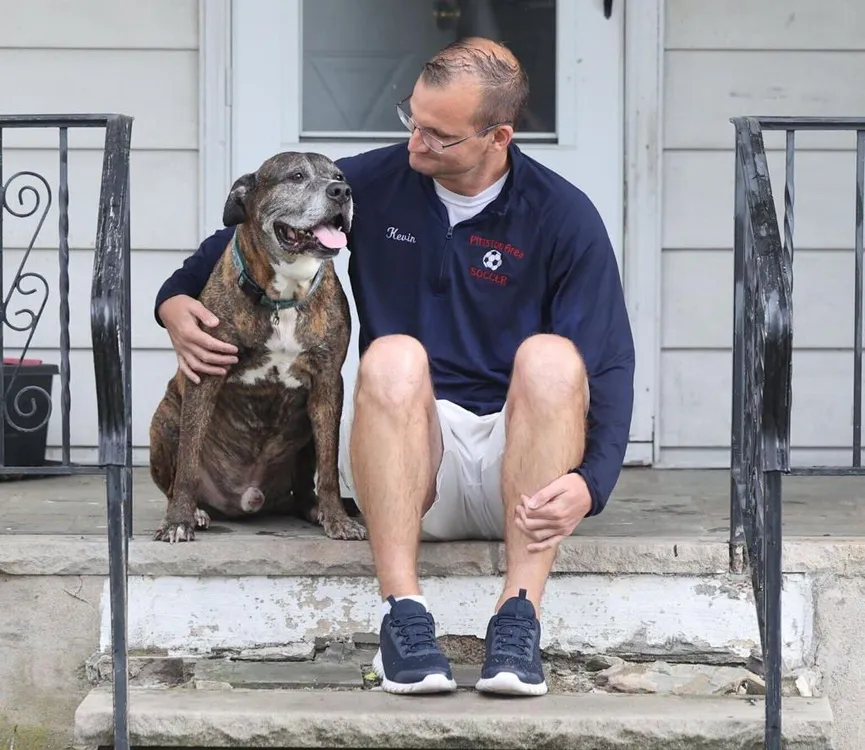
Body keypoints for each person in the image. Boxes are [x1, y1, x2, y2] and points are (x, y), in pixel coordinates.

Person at [154, 37, 635, 697]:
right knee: (391, 356)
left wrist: (592, 481)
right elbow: (245, 230)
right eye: (413, 119)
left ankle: (517, 619)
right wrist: (174, 302)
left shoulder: (560, 215)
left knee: (551, 357)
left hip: (521, 472)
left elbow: (607, 360)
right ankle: (402, 618)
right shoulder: (376, 183)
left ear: (497, 137)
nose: (416, 143)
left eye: (438, 136)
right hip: (411, 465)